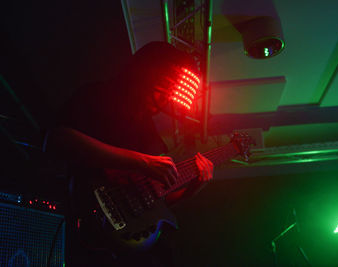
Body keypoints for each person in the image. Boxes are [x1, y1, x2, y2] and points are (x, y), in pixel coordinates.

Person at [44, 41, 214, 266]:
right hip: (80, 224)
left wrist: (190, 192)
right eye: (164, 84)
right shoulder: (98, 96)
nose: (165, 98)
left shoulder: (152, 136)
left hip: (123, 251)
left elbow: (148, 201)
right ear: (145, 72)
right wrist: (142, 162)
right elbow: (57, 139)